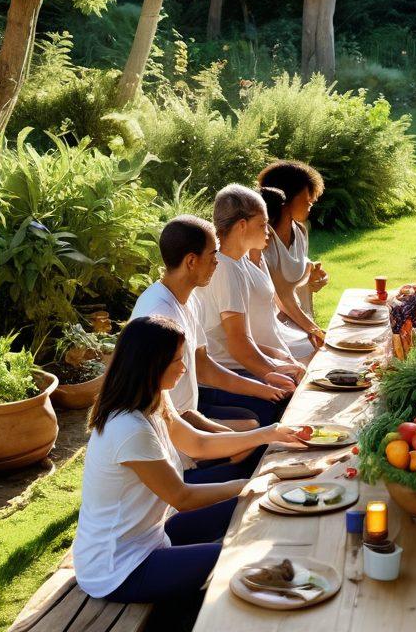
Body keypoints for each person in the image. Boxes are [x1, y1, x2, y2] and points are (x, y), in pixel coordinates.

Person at [73, 315, 309, 603]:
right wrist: (249, 483)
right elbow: (182, 497)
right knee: (238, 555)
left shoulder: (155, 398)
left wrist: (268, 434)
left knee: (256, 505)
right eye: (176, 361)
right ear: (151, 365)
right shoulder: (128, 429)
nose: (184, 368)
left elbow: (197, 443)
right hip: (120, 569)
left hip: (153, 536)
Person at [130, 215, 293, 480]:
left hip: (188, 412)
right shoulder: (158, 316)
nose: (218, 261)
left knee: (261, 424)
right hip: (170, 428)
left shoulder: (189, 299)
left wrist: (266, 386)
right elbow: (155, 407)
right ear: (191, 261)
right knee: (254, 444)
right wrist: (226, 435)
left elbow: (204, 367)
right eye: (213, 254)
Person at [195, 185, 306, 426]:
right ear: (242, 225)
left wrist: (278, 357)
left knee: (300, 381)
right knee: (293, 402)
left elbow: (242, 340)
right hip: (220, 378)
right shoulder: (224, 268)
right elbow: (237, 344)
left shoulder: (237, 263)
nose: (268, 231)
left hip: (235, 369)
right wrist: (271, 373)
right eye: (263, 224)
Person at [257, 160, 329, 331]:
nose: (312, 200)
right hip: (272, 328)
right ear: (286, 196)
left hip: (300, 321)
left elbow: (292, 275)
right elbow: (280, 294)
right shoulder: (261, 239)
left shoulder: (300, 232)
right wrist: (315, 331)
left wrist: (311, 276)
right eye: (307, 194)